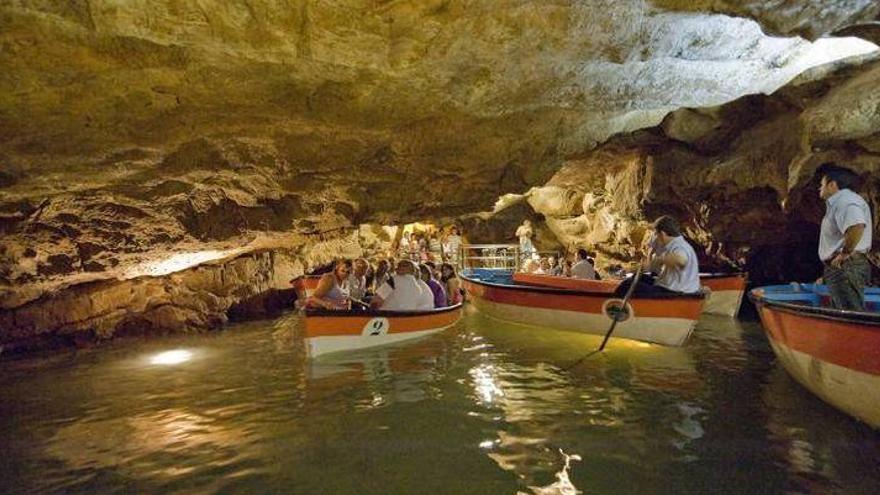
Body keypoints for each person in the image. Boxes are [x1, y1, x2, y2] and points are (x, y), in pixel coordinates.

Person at [816, 162, 873, 310]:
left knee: (850, 314)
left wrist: (845, 253)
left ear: (832, 184)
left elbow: (857, 225)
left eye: (822, 184)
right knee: (843, 313)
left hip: (846, 266)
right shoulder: (841, 202)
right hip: (844, 267)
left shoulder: (845, 201)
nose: (819, 187)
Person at [616, 216, 700, 296]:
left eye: (656, 234)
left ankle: (614, 305)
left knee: (626, 285)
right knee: (638, 277)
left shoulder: (679, 246)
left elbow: (681, 260)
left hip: (673, 292)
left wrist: (659, 260)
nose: (655, 238)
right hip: (669, 286)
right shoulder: (675, 243)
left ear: (662, 234)